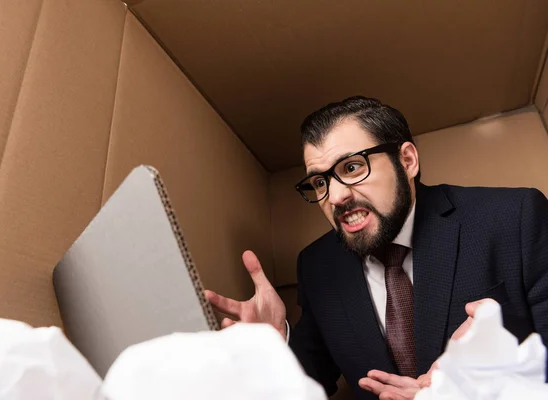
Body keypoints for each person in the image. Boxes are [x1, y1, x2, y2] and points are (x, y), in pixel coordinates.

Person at [205, 96, 548, 400]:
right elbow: (308, 382)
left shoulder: (514, 218)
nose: (336, 197)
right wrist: (274, 346)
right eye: (321, 182)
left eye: (352, 167)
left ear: (407, 160)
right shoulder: (317, 265)